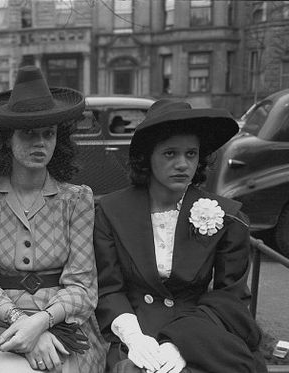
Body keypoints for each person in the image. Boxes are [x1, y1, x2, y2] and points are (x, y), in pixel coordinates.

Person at [94, 100, 267, 373]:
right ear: (148, 157)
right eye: (170, 153)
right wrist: (133, 337)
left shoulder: (226, 216)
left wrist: (180, 344)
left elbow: (230, 297)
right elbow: (108, 288)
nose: (182, 164)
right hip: (133, 330)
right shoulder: (111, 211)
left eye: (191, 154)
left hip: (199, 331)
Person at [0, 65, 108, 373]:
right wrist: (21, 324)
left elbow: (82, 285)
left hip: (64, 321)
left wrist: (41, 323)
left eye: (48, 134)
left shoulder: (76, 199)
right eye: (28, 134)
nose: (40, 143)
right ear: (7, 140)